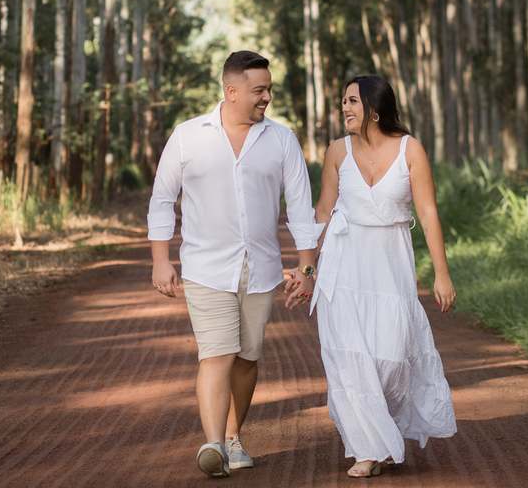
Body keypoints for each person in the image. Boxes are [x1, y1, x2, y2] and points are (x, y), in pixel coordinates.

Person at [149, 50, 319, 478]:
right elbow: (162, 201)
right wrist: (160, 260)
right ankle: (213, 446)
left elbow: (300, 209)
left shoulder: (282, 140)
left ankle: (231, 437)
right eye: (259, 90)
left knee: (247, 358)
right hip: (206, 267)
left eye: (269, 90)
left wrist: (308, 269)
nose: (267, 97)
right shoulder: (188, 136)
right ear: (232, 91)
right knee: (217, 354)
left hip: (261, 268)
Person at [302, 75, 457, 478]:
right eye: (343, 102)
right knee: (348, 360)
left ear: (374, 109)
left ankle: (382, 433)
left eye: (352, 101)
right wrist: (307, 269)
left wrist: (442, 274)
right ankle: (367, 450)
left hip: (390, 266)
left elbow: (427, 214)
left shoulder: (410, 149)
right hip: (343, 265)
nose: (344, 109)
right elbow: (322, 211)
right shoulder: (337, 150)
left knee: (390, 360)